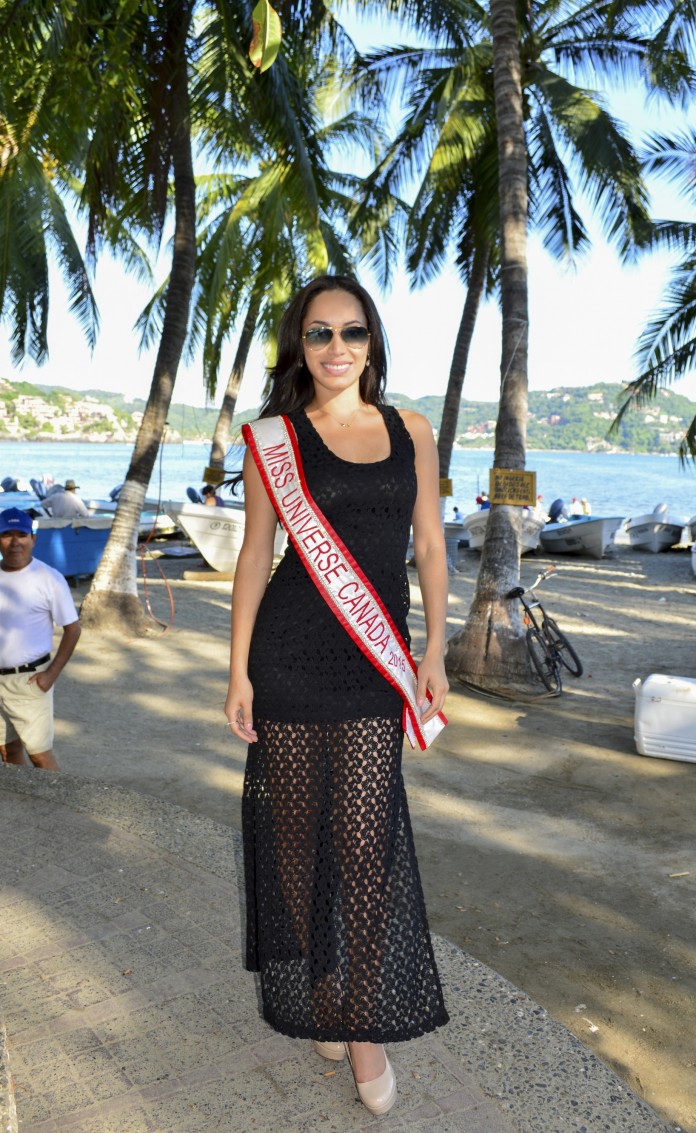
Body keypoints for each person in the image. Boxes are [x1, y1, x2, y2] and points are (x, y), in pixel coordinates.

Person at [224, 275, 449, 1117]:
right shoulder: (274, 439)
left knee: (363, 847)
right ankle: (326, 985)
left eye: (352, 333)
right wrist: (238, 669)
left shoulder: (410, 430)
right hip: (286, 656)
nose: (336, 349)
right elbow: (255, 557)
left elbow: (428, 545)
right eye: (319, 334)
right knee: (296, 847)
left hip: (369, 665)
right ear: (299, 345)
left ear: (372, 343)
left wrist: (431, 648)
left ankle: (362, 1024)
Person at [0, 508, 81, 771]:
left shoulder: (49, 579)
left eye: (21, 535)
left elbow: (73, 629)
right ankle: (25, 807)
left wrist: (51, 675)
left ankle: (60, 810)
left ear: (33, 539)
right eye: (6, 535)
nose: (15, 543)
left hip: (29, 680)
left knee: (40, 755)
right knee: (6, 748)